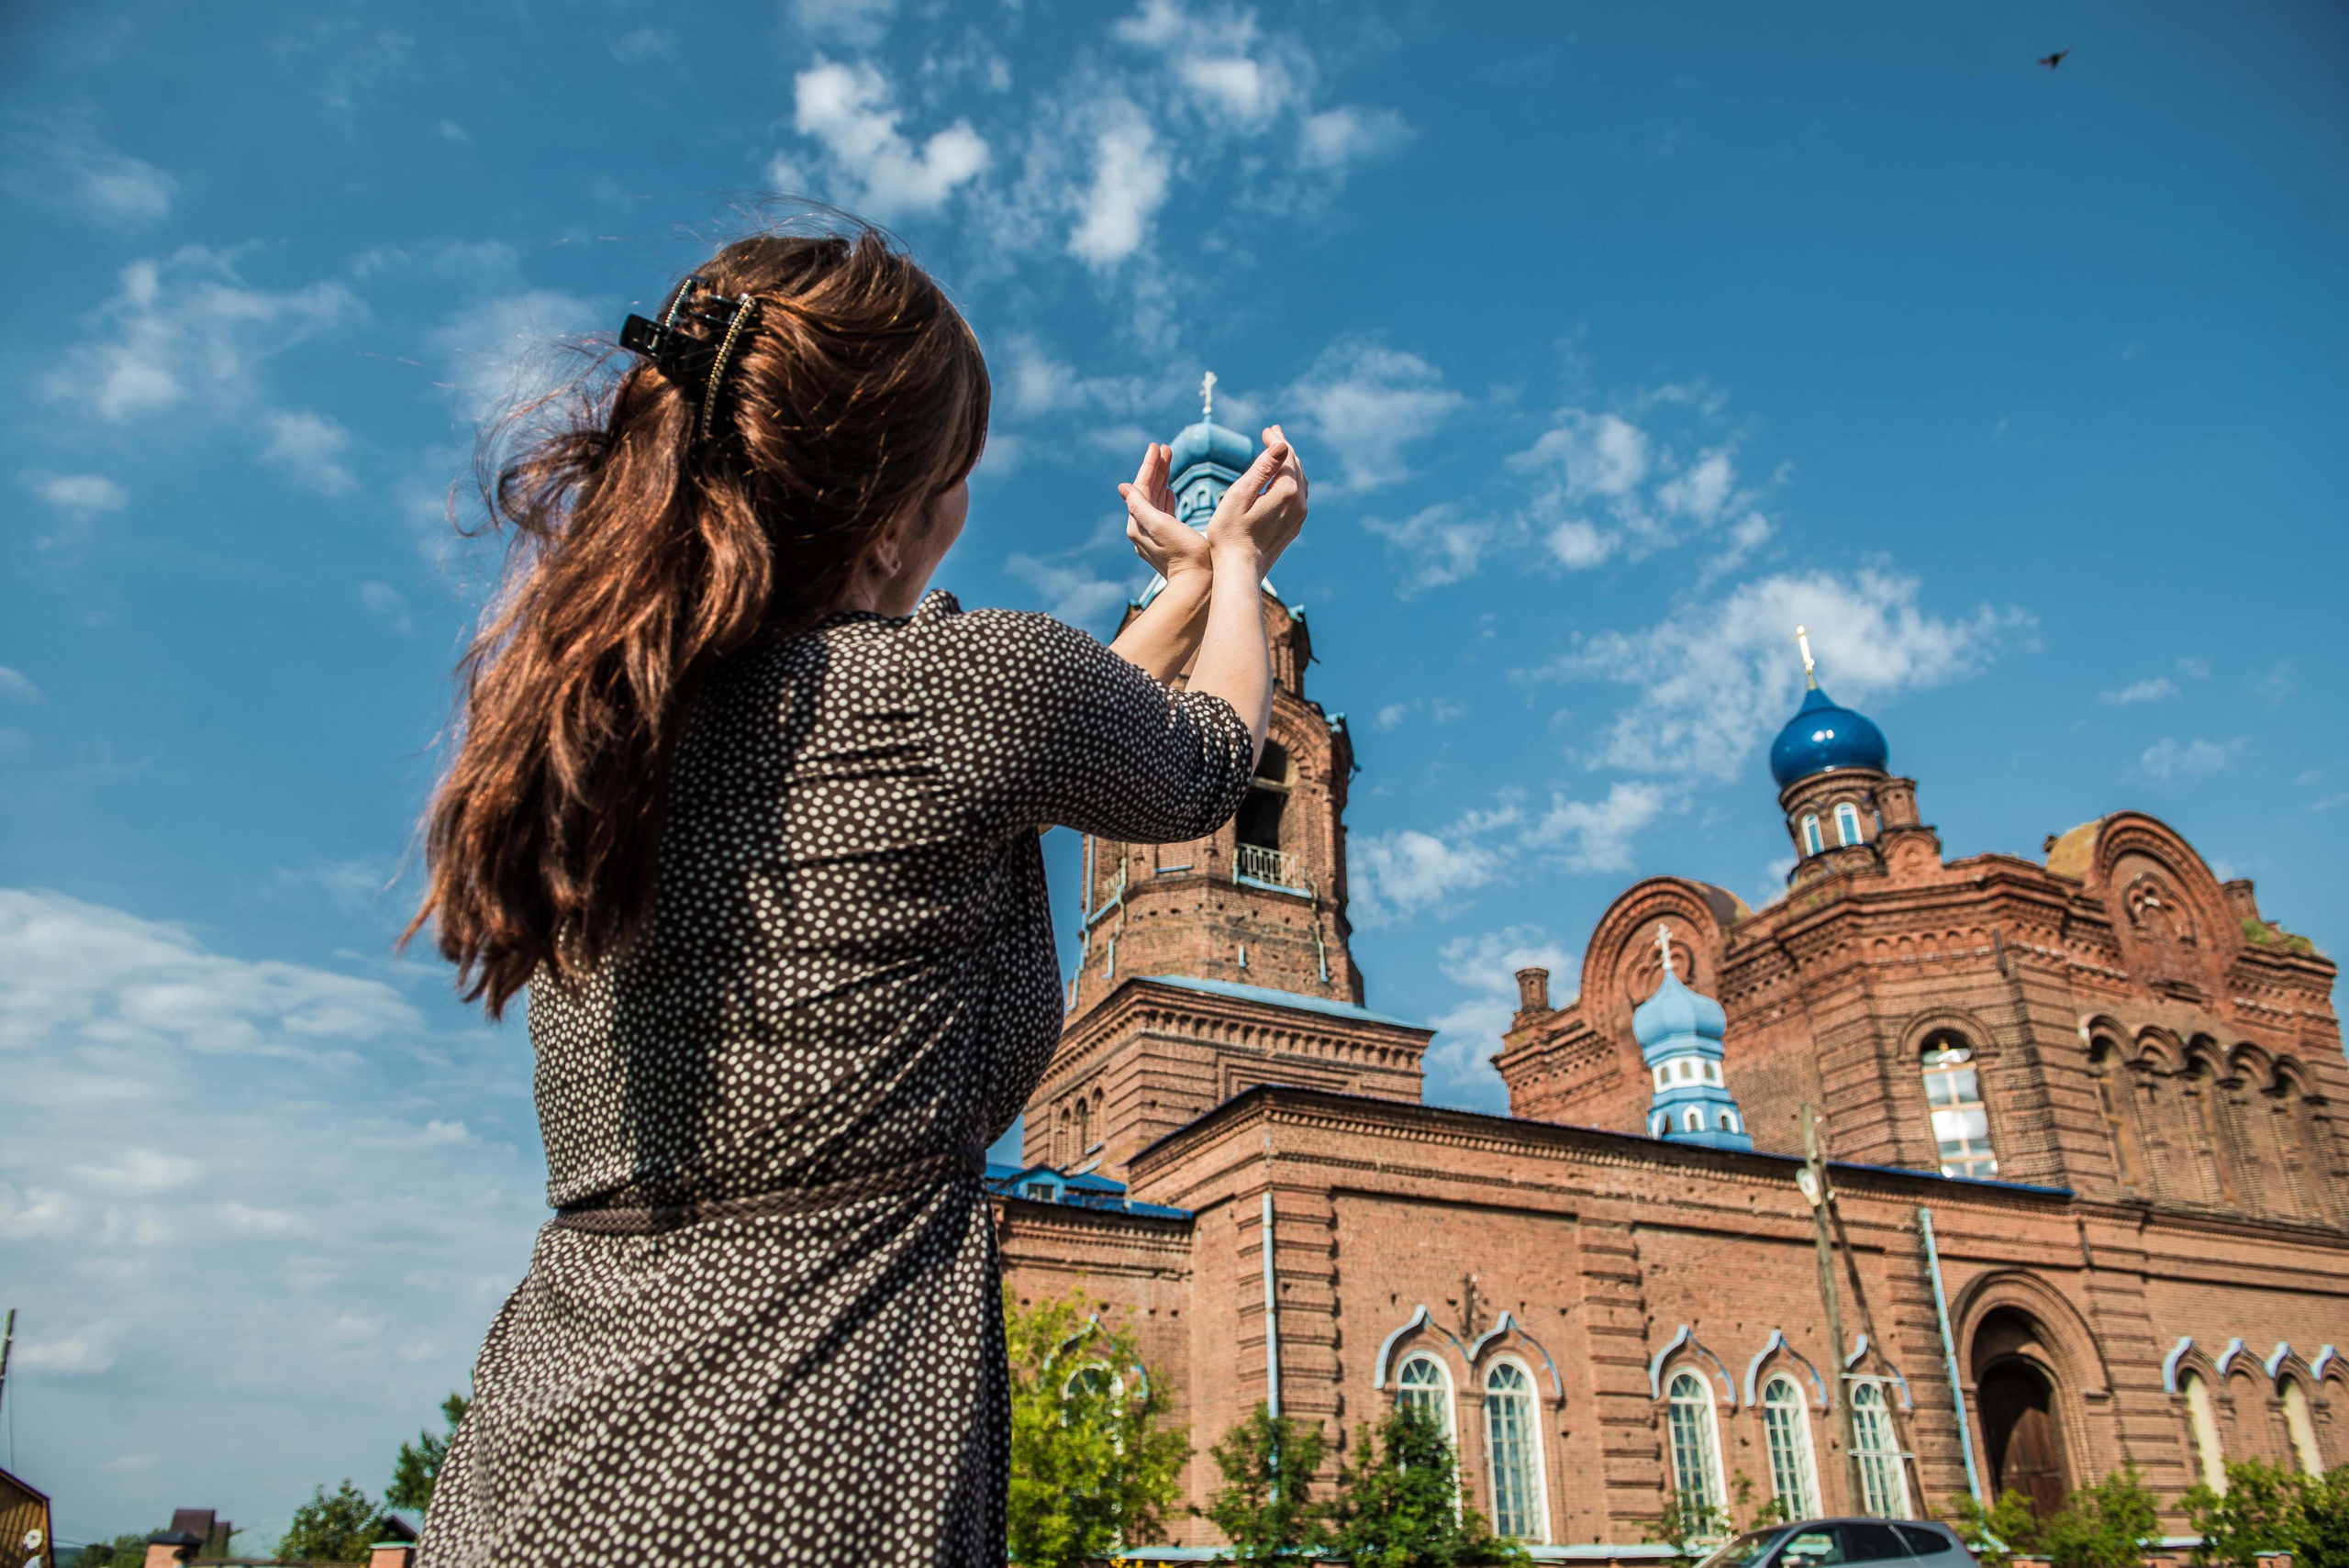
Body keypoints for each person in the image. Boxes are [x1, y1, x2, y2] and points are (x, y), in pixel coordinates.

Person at [402, 222, 1307, 1567]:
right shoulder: (956, 696)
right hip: (804, 1452)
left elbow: (1012, 742)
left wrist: (1178, 587)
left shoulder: (613, 739)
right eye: (958, 478)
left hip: (536, 1466)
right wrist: (1240, 568)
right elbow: (1206, 759)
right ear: (893, 524)